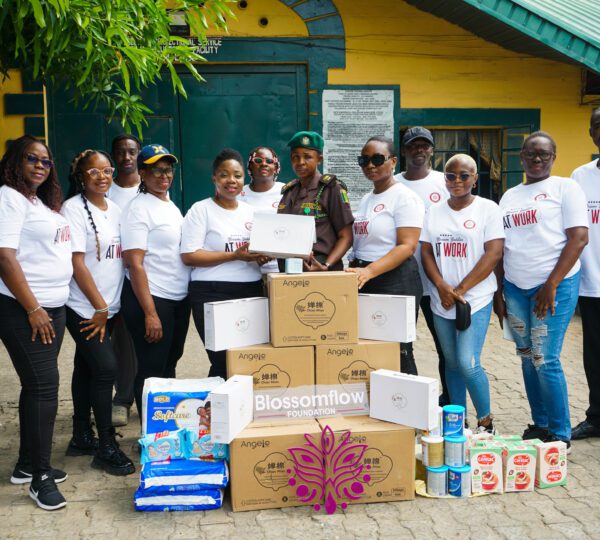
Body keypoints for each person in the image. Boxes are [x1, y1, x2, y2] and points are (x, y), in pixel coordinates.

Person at [495, 131, 588, 451]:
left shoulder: (566, 188)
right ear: (521, 157)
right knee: (525, 357)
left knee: (545, 358)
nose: (537, 160)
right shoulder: (509, 196)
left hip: (553, 288)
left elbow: (578, 238)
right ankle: (541, 423)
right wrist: (499, 293)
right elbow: (500, 248)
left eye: (544, 155)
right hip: (516, 288)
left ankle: (561, 434)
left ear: (554, 157)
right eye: (531, 154)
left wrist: (551, 284)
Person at [0, 135, 71, 510]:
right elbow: (5, 257)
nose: (41, 166)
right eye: (32, 158)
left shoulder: (36, 202)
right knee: (45, 387)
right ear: (15, 161)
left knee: (36, 386)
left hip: (52, 307)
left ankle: (27, 465)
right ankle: (40, 478)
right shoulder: (8, 197)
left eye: (46, 161)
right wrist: (32, 308)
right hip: (25, 309)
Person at [61, 149, 135, 475]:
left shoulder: (115, 209)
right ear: (80, 175)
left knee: (86, 366)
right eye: (94, 172)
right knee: (106, 369)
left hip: (110, 307)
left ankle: (80, 435)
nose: (103, 176)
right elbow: (77, 263)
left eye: (107, 170)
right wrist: (100, 307)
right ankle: (105, 445)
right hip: (84, 307)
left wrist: (111, 306)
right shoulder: (73, 209)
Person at [421, 154, 504, 433]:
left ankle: (486, 422)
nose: (456, 181)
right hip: (441, 299)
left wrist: (460, 290)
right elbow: (426, 252)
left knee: (468, 362)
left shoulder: (488, 209)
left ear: (475, 179)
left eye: (464, 175)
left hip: (474, 299)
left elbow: (493, 254)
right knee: (452, 363)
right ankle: (457, 422)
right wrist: (443, 288)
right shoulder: (434, 211)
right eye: (450, 175)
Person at [181, 148, 268, 378]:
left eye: (237, 175)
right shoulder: (201, 210)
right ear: (214, 178)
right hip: (211, 293)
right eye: (224, 175)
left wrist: (262, 255)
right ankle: (215, 411)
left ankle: (239, 410)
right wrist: (234, 256)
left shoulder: (253, 213)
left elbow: (260, 251)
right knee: (221, 360)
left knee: (247, 359)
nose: (232, 181)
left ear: (244, 179)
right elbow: (189, 255)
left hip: (250, 291)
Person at [120, 144, 191, 416]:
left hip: (175, 298)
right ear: (141, 173)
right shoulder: (138, 209)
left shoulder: (167, 203)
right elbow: (134, 263)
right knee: (152, 369)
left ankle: (166, 425)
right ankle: (150, 435)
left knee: (169, 363)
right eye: (156, 171)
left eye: (168, 169)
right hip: (152, 299)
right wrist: (150, 313)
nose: (164, 176)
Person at [347, 136, 424, 375]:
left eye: (378, 159)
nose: (370, 165)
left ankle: (411, 408)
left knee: (399, 349)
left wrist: (369, 271)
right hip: (365, 279)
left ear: (393, 162)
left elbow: (407, 246)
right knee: (371, 348)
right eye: (364, 160)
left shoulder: (405, 197)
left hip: (395, 280)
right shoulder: (367, 199)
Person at [395, 127, 451, 402]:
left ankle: (450, 401)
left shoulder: (444, 182)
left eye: (424, 145)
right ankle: (409, 402)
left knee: (446, 348)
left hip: (438, 281)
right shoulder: (393, 184)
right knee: (403, 346)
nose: (419, 150)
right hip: (402, 279)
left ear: (432, 150)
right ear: (403, 151)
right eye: (412, 146)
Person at [277, 131, 354, 271]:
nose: (300, 162)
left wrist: (326, 265)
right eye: (295, 157)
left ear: (319, 159)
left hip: (321, 269)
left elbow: (346, 236)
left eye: (307, 157)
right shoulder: (289, 192)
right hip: (289, 270)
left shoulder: (331, 188)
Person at [108, 134, 142, 427]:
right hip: (113, 273)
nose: (126, 157)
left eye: (132, 152)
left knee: (144, 335)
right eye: (121, 152)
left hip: (142, 275)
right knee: (120, 340)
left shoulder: (150, 188)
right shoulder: (107, 189)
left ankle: (145, 395)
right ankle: (122, 399)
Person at [571, 108, 600, 440]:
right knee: (594, 356)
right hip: (591, 283)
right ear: (591, 133)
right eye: (597, 126)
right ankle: (597, 417)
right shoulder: (580, 176)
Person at [238, 146, 284, 275]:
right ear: (250, 166)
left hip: (279, 269)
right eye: (258, 160)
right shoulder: (238, 194)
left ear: (276, 167)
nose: (264, 164)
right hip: (245, 269)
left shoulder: (287, 192)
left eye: (269, 161)